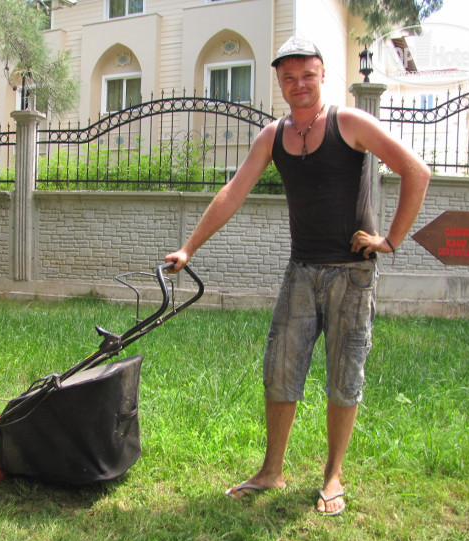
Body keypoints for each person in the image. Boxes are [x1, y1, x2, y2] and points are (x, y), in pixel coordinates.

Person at [165, 36, 430, 516]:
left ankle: (333, 475)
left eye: (308, 74)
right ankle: (272, 470)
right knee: (280, 371)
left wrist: (390, 241)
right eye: (289, 77)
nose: (299, 84)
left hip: (352, 275)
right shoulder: (272, 136)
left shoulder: (349, 123)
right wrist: (189, 247)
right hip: (301, 271)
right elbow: (233, 191)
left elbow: (416, 171)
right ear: (280, 83)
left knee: (344, 375)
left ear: (323, 74)